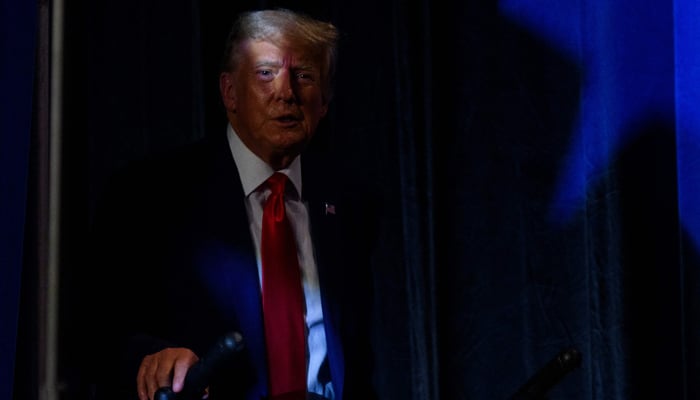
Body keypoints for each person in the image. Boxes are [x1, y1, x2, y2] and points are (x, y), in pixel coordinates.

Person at [82, 8, 379, 400]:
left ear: (324, 102)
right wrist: (150, 358)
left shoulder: (351, 204)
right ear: (229, 92)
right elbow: (95, 336)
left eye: (304, 76)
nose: (286, 92)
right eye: (266, 73)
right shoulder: (147, 196)